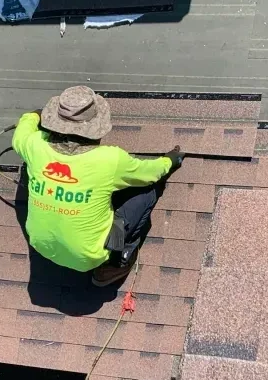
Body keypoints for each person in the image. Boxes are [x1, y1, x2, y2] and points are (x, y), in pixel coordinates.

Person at [11, 85, 184, 287]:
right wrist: (170, 161)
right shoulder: (109, 159)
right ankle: (116, 262)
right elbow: (150, 173)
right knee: (147, 193)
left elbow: (20, 133)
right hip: (88, 257)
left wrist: (34, 116)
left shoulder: (34, 145)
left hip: (42, 246)